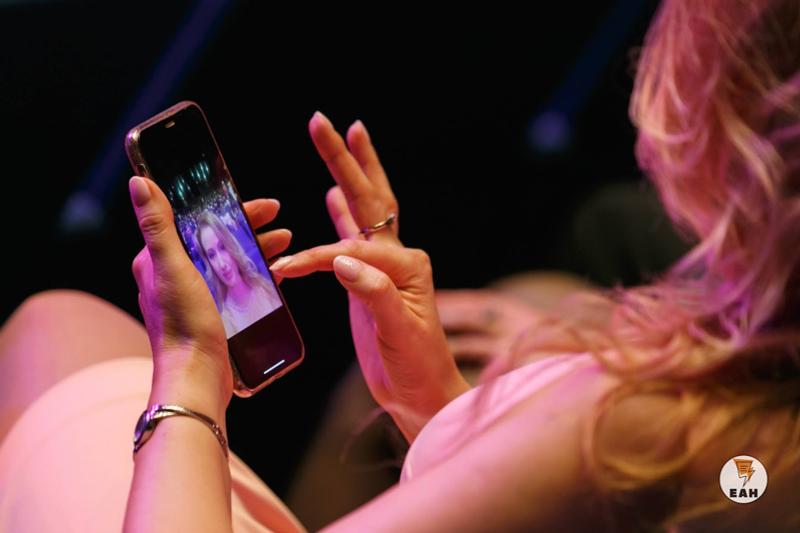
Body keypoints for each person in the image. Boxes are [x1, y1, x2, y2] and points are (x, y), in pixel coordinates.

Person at [1, 1, 800, 531]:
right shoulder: (757, 414)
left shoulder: (652, 422)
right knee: (63, 325)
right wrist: (431, 402)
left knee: (52, 324)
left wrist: (189, 367)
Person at [195, 210, 282, 336]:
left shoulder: (262, 286)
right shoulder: (227, 323)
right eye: (212, 255)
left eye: (222, 247)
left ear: (229, 243)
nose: (221, 264)